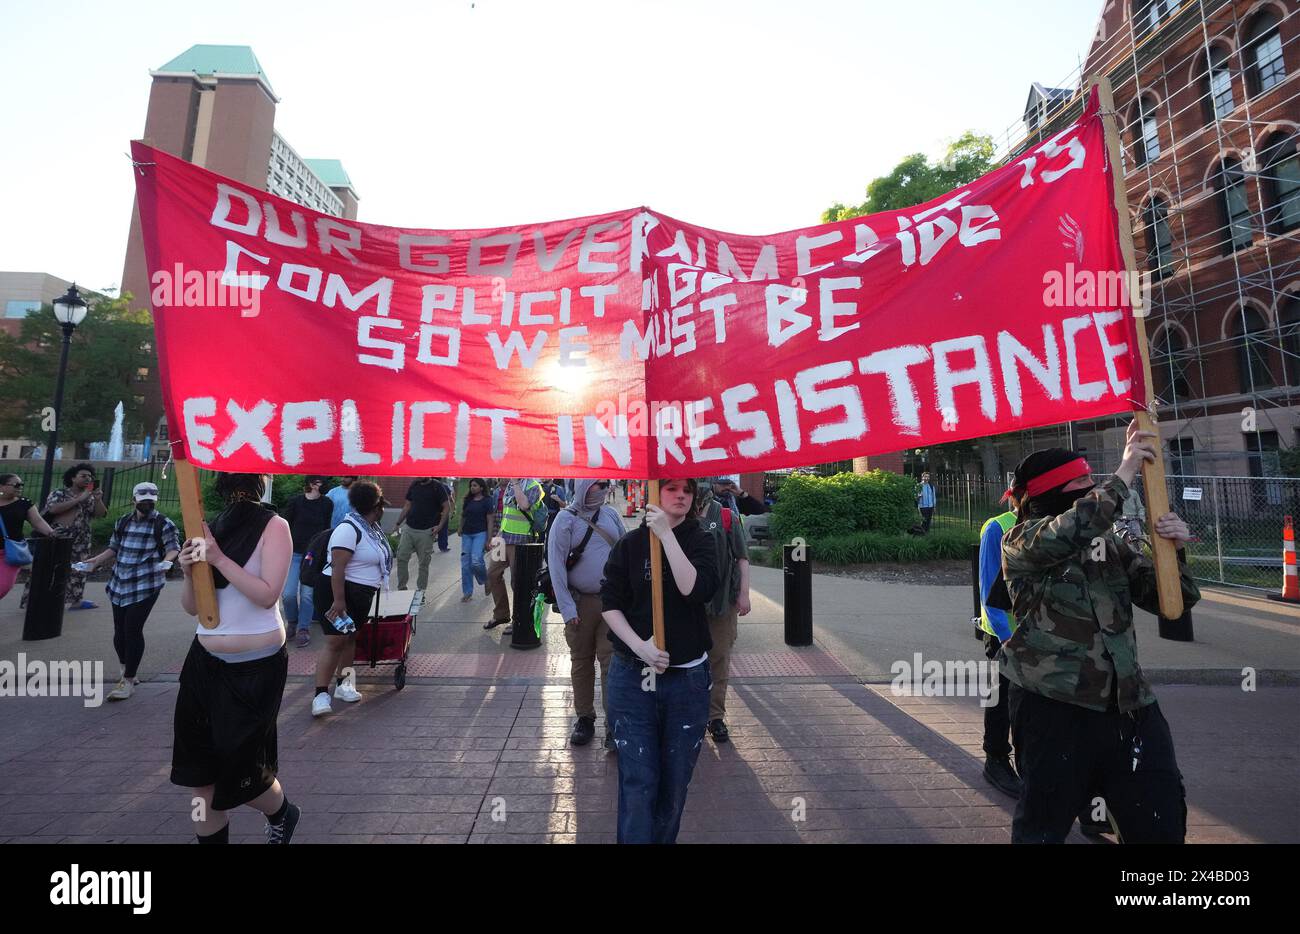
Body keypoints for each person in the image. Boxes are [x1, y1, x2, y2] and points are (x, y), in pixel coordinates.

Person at [999, 420, 1201, 844]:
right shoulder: (1023, 541)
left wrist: (1174, 554)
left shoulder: (1110, 542)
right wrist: (1125, 471)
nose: (1093, 488)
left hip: (1130, 707)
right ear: (1053, 493)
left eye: (1095, 482)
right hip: (1054, 708)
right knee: (1042, 827)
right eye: (1083, 482)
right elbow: (1071, 528)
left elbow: (1170, 601)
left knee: (1159, 823)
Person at [172, 473, 300, 844]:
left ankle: (282, 812)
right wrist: (188, 571)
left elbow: (266, 594)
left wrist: (219, 558)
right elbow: (192, 607)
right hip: (203, 662)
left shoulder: (275, 526)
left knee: (239, 767)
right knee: (199, 775)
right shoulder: (209, 527)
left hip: (255, 668)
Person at [601, 478, 719, 844]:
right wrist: (640, 646)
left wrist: (667, 536)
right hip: (632, 680)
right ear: (655, 493)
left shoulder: (701, 540)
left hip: (686, 683)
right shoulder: (630, 544)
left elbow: (696, 588)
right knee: (638, 781)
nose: (681, 495)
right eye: (670, 488)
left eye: (687, 489)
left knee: (675, 783)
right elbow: (610, 603)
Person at [76, 482, 181, 700]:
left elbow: (173, 548)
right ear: (134, 499)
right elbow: (114, 548)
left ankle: (129, 680)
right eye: (142, 499)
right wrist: (95, 561)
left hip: (146, 583)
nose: (147, 502)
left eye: (151, 499)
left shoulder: (163, 524)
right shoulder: (123, 521)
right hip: (120, 582)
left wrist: (167, 562)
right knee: (119, 630)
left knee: (132, 629)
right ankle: (126, 669)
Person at [547, 479, 624, 749]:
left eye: (606, 484)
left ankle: (613, 725)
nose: (603, 489)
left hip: (612, 603)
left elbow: (625, 551)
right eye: (597, 484)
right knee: (581, 660)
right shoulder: (565, 520)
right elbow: (555, 565)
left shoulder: (611, 514)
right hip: (579, 603)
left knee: (611, 662)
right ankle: (584, 718)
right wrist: (567, 608)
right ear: (583, 487)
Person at [311, 481, 393, 718]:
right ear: (376, 507)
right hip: (337, 592)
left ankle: (345, 684)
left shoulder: (371, 529)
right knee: (336, 641)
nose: (383, 510)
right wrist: (339, 602)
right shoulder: (349, 529)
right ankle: (320, 694)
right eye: (382, 506)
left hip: (360, 595)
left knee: (350, 638)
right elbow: (338, 567)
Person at [694, 477, 752, 743]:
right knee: (687, 662)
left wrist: (743, 595)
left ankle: (715, 716)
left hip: (721, 603)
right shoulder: (676, 514)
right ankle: (690, 715)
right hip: (688, 605)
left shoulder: (726, 516)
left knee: (718, 659)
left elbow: (742, 557)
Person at [36, 463, 107, 610]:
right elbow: (53, 509)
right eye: (83, 476)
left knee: (80, 569)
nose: (88, 479)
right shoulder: (60, 493)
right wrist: (79, 499)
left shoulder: (90, 497)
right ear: (73, 478)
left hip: (82, 539)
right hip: (59, 536)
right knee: (53, 568)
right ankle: (44, 599)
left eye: (90, 476)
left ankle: (76, 600)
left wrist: (98, 499)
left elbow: (100, 514)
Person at [484, 478, 544, 631]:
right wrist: (497, 536)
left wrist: (516, 483)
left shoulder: (533, 486)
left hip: (521, 539)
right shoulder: (510, 484)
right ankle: (501, 614)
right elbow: (507, 513)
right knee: (492, 574)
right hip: (503, 538)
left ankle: (518, 619)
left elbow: (524, 505)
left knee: (518, 582)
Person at [280, 476, 332, 648]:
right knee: (288, 594)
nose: (324, 484)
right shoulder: (295, 502)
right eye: (321, 481)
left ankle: (303, 628)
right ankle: (292, 621)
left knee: (308, 595)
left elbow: (326, 529)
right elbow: (285, 526)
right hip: (293, 554)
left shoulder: (327, 504)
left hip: (313, 556)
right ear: (311, 484)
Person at [0, 473, 57, 602]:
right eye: (16, 484)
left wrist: (51, 532)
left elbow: (37, 522)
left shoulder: (24, 504)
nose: (20, 487)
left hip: (9, 554)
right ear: (1, 487)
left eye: (21, 485)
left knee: (3, 586)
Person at [393, 477, 449, 593]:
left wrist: (440, 526)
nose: (417, 476)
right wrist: (398, 523)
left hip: (426, 531)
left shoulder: (437, 486)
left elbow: (447, 506)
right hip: (409, 528)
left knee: (423, 563)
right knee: (401, 557)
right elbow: (407, 505)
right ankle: (402, 588)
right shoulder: (414, 484)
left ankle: (421, 591)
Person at [458, 478, 493, 602]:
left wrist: (489, 539)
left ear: (481, 488)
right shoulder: (468, 500)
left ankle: (485, 579)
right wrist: (460, 527)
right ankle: (467, 592)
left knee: (476, 561)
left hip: (480, 534)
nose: (472, 488)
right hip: (467, 534)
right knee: (465, 565)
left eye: (475, 485)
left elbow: (490, 520)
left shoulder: (487, 501)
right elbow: (463, 515)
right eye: (471, 486)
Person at [437, 478, 454, 553]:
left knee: (429, 529)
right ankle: (443, 547)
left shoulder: (429, 486)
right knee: (443, 529)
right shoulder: (445, 486)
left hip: (432, 512)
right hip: (444, 511)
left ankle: (429, 547)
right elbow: (450, 499)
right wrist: (452, 510)